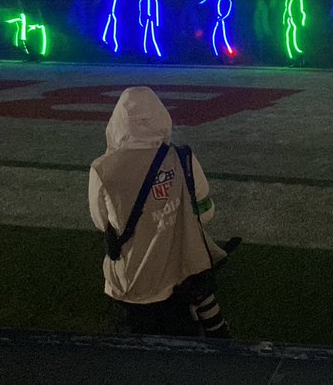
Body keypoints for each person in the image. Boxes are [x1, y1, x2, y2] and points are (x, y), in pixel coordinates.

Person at [89, 87, 229, 338]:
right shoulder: (182, 158)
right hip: (179, 279)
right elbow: (205, 213)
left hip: (129, 283)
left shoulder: (102, 169)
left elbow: (102, 223)